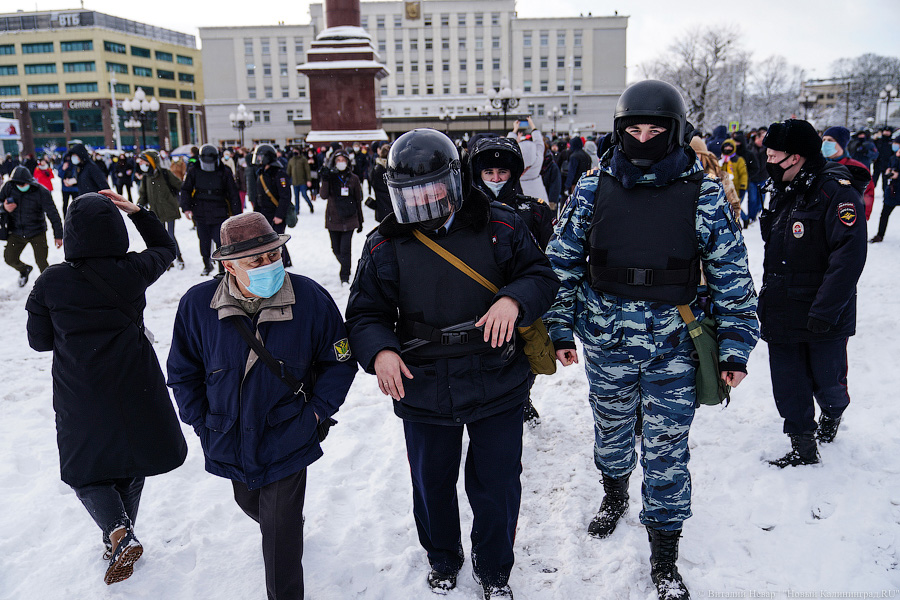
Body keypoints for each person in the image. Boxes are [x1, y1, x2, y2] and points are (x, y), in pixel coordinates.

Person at [544, 80, 759, 600]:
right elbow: (561, 263)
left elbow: (732, 277)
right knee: (612, 431)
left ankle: (664, 555)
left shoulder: (704, 194)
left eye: (655, 130)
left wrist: (735, 347)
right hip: (607, 340)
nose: (643, 139)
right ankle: (614, 492)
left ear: (676, 132)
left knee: (666, 448)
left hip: (674, 345)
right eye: (633, 129)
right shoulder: (593, 189)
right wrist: (559, 327)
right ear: (620, 131)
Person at [345, 129, 559, 599]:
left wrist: (513, 299)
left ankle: (495, 568)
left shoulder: (501, 224)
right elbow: (364, 314)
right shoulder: (384, 244)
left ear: (455, 181)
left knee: (498, 483)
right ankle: (442, 557)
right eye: (412, 193)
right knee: (431, 482)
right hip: (422, 381)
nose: (424, 200)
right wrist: (380, 350)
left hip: (496, 373)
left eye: (432, 189)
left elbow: (540, 276)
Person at [167, 211, 356, 600]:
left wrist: (316, 413)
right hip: (229, 435)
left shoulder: (310, 298)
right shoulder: (197, 305)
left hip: (289, 432)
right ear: (228, 265)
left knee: (279, 535)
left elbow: (339, 362)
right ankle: (281, 522)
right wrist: (203, 423)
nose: (270, 264)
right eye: (256, 260)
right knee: (250, 500)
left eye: (274, 255)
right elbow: (183, 373)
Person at [25, 189, 187, 585]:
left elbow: (39, 341)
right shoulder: (133, 269)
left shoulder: (51, 281)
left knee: (85, 470)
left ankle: (117, 531)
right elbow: (166, 247)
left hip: (80, 387)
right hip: (136, 380)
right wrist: (138, 211)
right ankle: (120, 534)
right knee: (132, 459)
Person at [757, 119, 867, 468]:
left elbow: (849, 256)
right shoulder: (782, 188)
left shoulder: (836, 192)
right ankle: (802, 444)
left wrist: (825, 310)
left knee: (828, 382)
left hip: (822, 310)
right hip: (782, 305)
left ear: (796, 157)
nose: (768, 161)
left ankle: (833, 412)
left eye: (773, 155)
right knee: (788, 382)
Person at [180, 144, 242, 276]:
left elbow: (233, 193)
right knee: (204, 241)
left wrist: (237, 213)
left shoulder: (224, 171)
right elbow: (186, 190)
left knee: (221, 242)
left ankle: (222, 267)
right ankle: (207, 264)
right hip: (200, 210)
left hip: (219, 210)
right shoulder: (194, 170)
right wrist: (186, 207)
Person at [1, 166, 63, 286]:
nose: (20, 186)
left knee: (42, 262)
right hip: (16, 232)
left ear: (29, 181)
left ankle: (49, 285)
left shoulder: (41, 191)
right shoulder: (9, 187)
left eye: (23, 184)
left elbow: (53, 214)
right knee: (9, 258)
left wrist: (58, 235)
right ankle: (24, 270)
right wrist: (4, 207)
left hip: (37, 232)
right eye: (18, 184)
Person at [320, 150, 363, 284]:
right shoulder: (331, 177)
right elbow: (323, 195)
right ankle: (346, 266)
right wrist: (325, 179)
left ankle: (345, 276)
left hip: (350, 219)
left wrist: (360, 220)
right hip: (334, 219)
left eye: (343, 160)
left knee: (345, 250)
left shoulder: (354, 178)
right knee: (336, 249)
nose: (341, 163)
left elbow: (358, 200)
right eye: (338, 160)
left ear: (347, 162)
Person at [137, 150, 184, 270]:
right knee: (162, 237)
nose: (140, 164)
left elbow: (179, 185)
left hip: (169, 209)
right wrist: (139, 205)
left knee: (170, 235)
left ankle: (178, 257)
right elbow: (143, 195)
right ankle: (168, 260)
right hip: (156, 211)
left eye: (143, 161)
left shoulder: (165, 173)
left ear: (150, 162)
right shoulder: (146, 177)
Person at [250, 144, 292, 267]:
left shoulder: (279, 174)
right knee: (270, 241)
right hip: (264, 213)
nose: (258, 159)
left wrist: (279, 215)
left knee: (276, 242)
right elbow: (259, 196)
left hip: (275, 214)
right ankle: (286, 262)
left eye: (260, 157)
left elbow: (285, 197)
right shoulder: (262, 173)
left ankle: (282, 264)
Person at [821, 126, 876, 220]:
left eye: (830, 140)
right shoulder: (817, 165)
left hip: (846, 219)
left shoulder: (856, 168)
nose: (825, 143)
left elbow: (868, 194)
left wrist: (863, 217)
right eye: (824, 140)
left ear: (841, 144)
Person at [509, 116, 549, 202]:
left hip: (518, 193)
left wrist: (515, 130)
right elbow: (539, 142)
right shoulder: (538, 160)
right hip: (538, 194)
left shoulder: (514, 164)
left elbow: (507, 146)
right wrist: (532, 124)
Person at [871, 134, 900, 243]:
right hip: (893, 191)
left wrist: (898, 175)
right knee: (884, 214)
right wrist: (889, 171)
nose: (894, 145)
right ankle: (880, 235)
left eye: (897, 144)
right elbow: (890, 166)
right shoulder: (893, 157)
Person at [719, 138, 748, 224]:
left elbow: (743, 174)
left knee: (735, 206)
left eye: (730, 147)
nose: (727, 149)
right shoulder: (720, 160)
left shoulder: (739, 160)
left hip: (736, 188)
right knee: (727, 206)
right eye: (726, 147)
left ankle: (741, 220)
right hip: (724, 188)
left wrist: (743, 186)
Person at [746, 127, 770, 219]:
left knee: (761, 199)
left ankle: (758, 213)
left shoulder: (767, 149)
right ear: (757, 138)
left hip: (763, 177)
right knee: (752, 199)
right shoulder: (750, 147)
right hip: (752, 178)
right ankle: (752, 216)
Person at [369, 143, 392, 222]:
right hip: (392, 206)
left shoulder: (377, 168)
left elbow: (373, 184)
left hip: (382, 207)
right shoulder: (393, 168)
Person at [287, 148, 313, 214]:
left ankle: (310, 205)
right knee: (296, 197)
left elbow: (307, 170)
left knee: (304, 195)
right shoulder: (291, 160)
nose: (295, 152)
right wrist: (287, 179)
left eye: (296, 151)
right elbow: (288, 171)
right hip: (295, 182)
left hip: (302, 181)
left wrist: (308, 180)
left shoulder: (303, 159)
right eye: (294, 151)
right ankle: (297, 210)